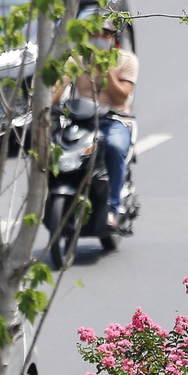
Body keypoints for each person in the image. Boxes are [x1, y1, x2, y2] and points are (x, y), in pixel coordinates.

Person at [72, 24, 138, 229]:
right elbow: (59, 85)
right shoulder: (77, 59)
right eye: (94, 34)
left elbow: (121, 95)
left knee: (115, 146)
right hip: (83, 120)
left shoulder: (127, 61)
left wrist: (106, 68)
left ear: (113, 38)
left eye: (104, 35)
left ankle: (113, 208)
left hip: (115, 121)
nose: (98, 38)